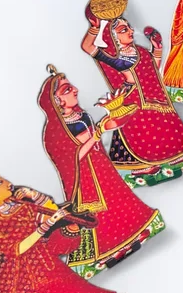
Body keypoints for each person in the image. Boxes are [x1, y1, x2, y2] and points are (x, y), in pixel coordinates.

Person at [38, 66, 163, 274]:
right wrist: (99, 132)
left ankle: (130, 237)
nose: (75, 90)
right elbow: (73, 157)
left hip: (101, 166)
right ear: (57, 101)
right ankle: (105, 253)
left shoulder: (80, 114)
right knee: (99, 216)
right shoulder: (55, 131)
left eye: (71, 86)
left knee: (119, 201)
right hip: (85, 178)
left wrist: (108, 123)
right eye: (67, 90)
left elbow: (94, 136)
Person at [81, 0, 183, 183]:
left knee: (165, 124)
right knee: (139, 130)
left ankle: (173, 155)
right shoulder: (112, 58)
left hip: (153, 97)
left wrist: (157, 48)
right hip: (133, 101)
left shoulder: (141, 51)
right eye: (123, 30)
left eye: (129, 27)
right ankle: (142, 166)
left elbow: (153, 68)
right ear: (113, 37)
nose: (130, 31)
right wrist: (94, 26)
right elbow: (87, 46)